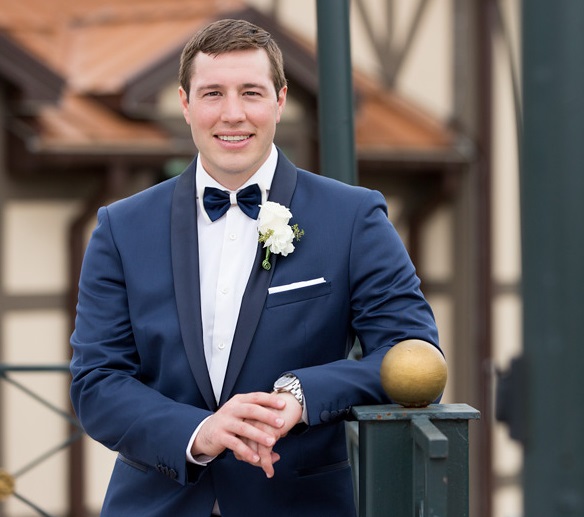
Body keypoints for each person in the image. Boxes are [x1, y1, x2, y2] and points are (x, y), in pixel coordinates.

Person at [69, 18, 440, 517]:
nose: (233, 114)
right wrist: (201, 432)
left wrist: (301, 396)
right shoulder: (121, 227)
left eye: (251, 92)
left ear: (280, 99)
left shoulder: (352, 217)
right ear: (184, 103)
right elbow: (97, 380)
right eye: (212, 94)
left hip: (297, 502)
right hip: (155, 504)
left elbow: (410, 348)